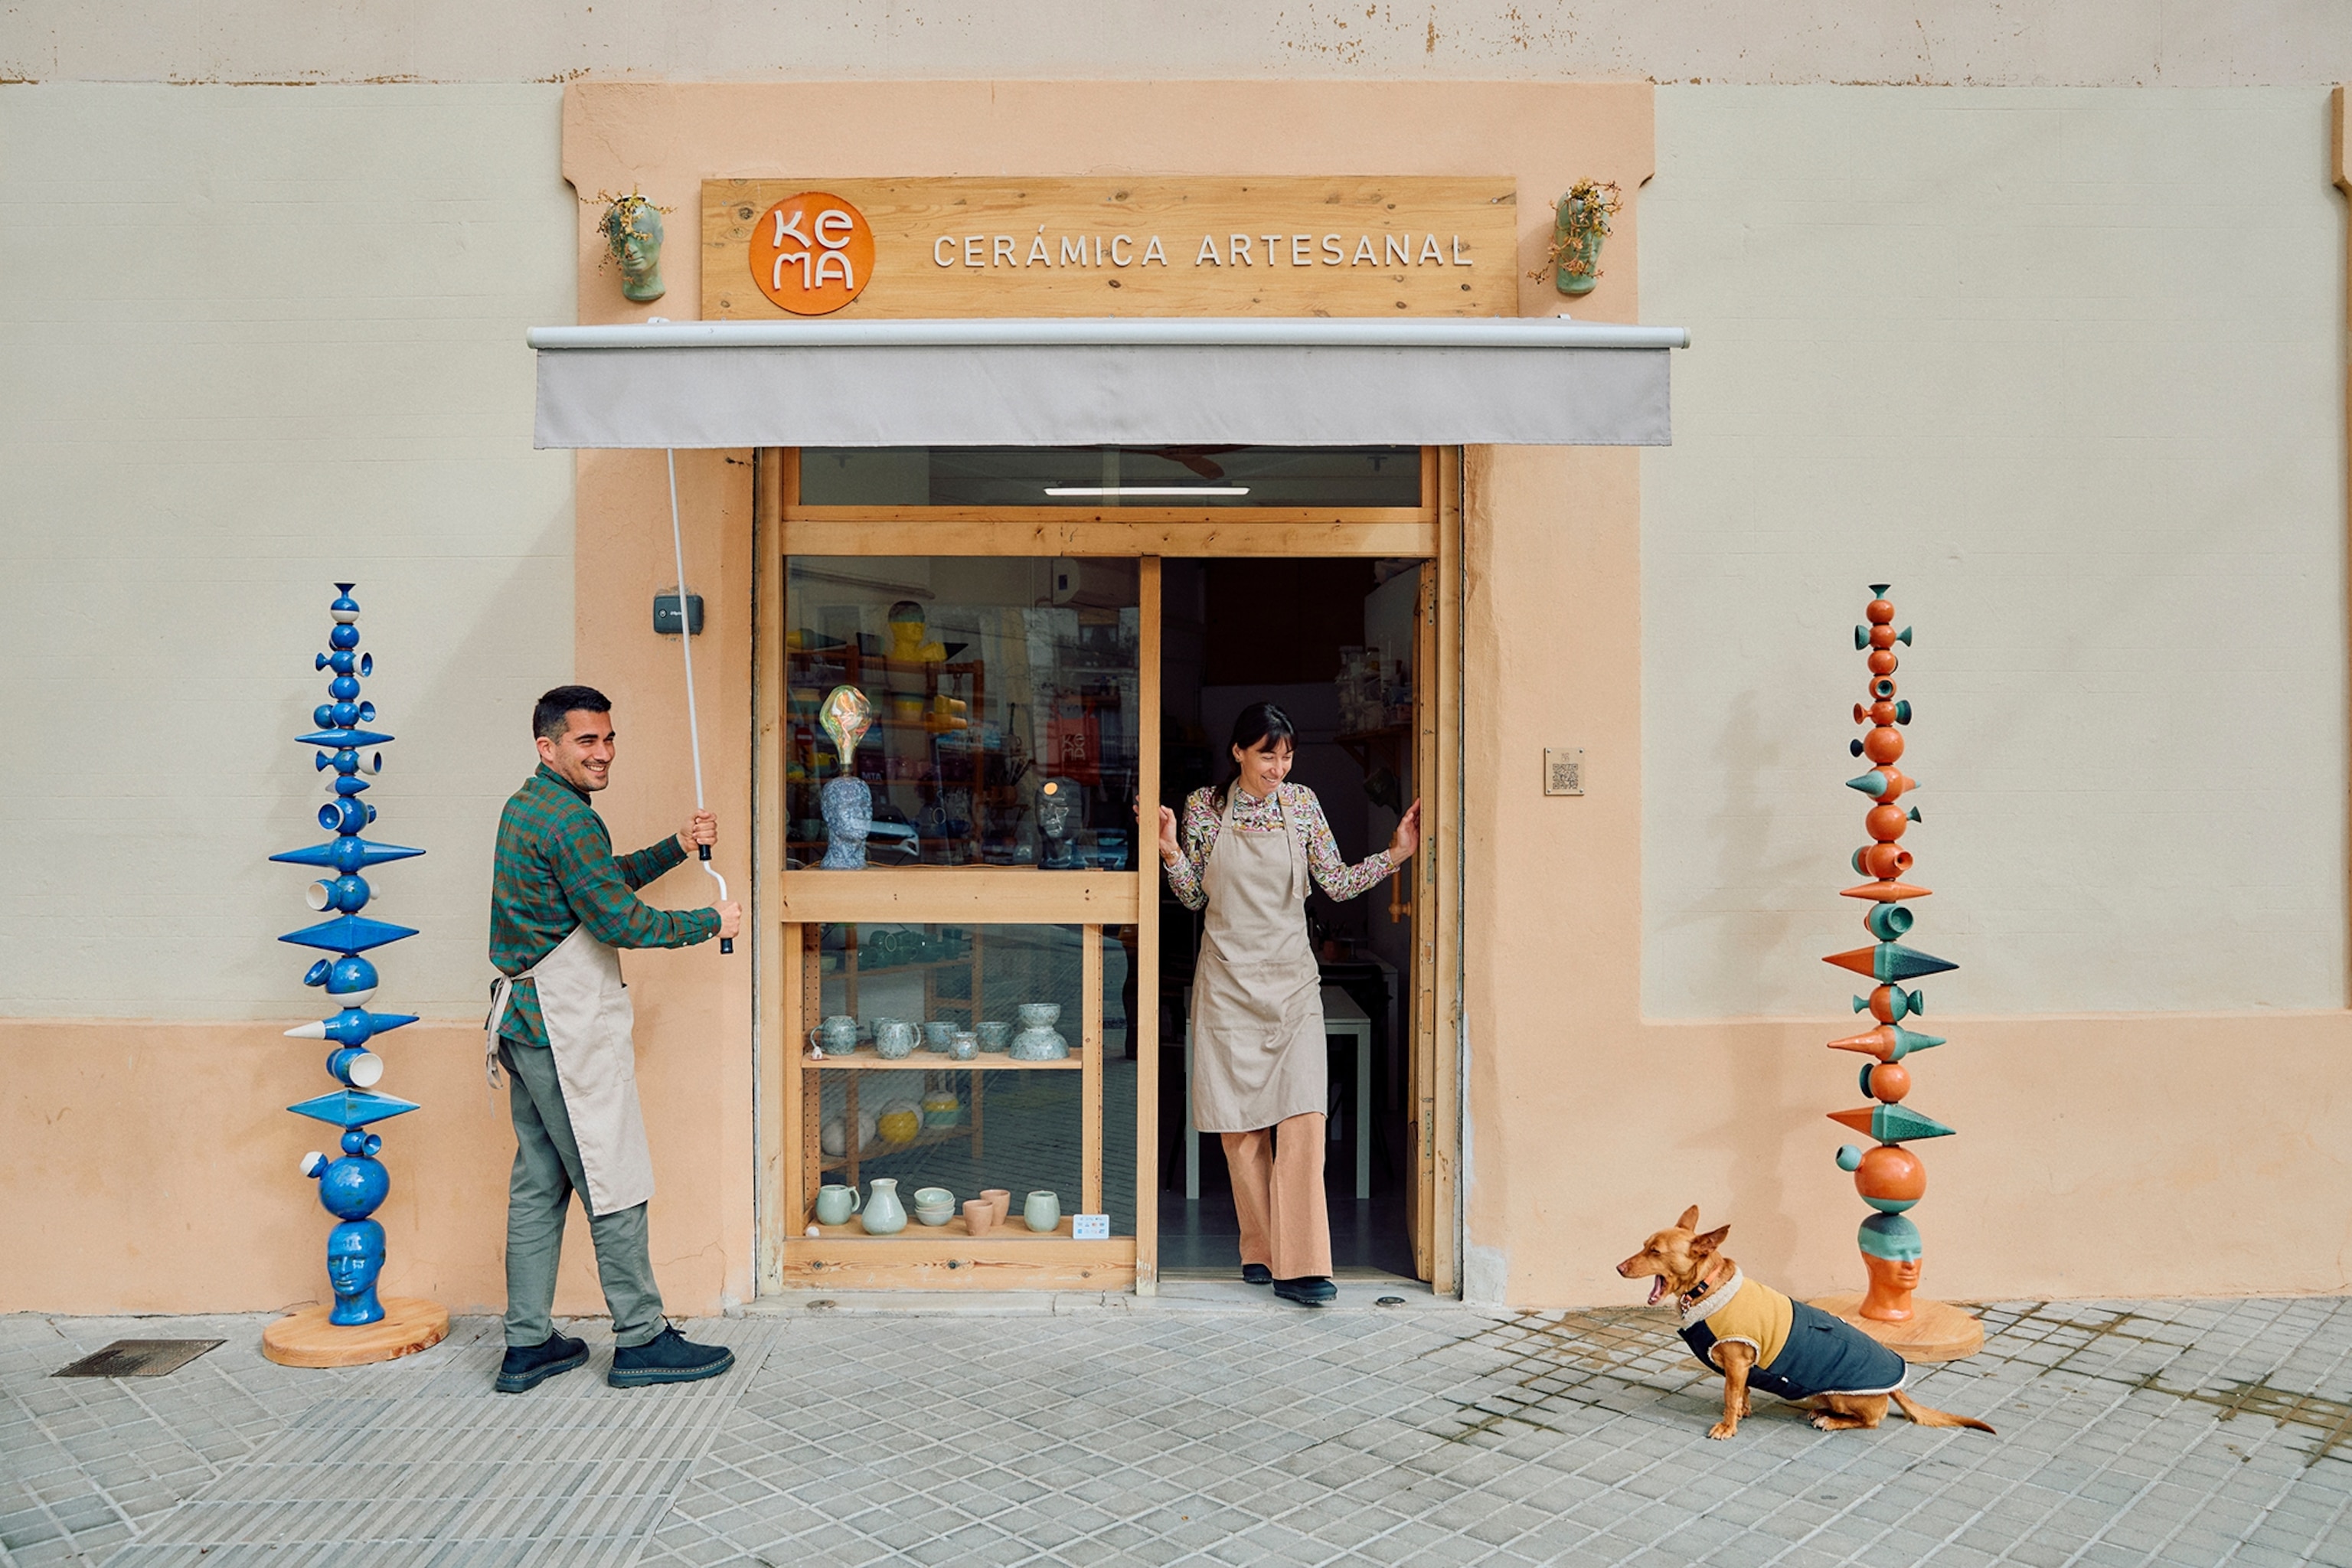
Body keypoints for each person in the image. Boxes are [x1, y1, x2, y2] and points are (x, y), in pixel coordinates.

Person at [482, 684, 743, 1391]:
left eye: (607, 738)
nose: (603, 753)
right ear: (549, 747)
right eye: (585, 742)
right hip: (565, 1030)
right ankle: (641, 1339)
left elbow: (598, 884)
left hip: (526, 1027)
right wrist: (708, 923)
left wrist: (678, 849)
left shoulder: (533, 806)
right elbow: (617, 921)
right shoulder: (567, 822)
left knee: (539, 1186)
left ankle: (528, 1345)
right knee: (612, 1175)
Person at [1157, 702, 1420, 1306]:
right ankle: (1262, 1251)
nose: (1279, 767)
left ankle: (1302, 1265)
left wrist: (1396, 853)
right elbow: (1196, 896)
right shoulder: (1205, 808)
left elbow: (1335, 881)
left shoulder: (1300, 804)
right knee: (1240, 1127)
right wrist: (1172, 851)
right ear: (1239, 753)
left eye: (1287, 755)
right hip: (1226, 979)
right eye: (1267, 754)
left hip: (1292, 983)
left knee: (1304, 1119)